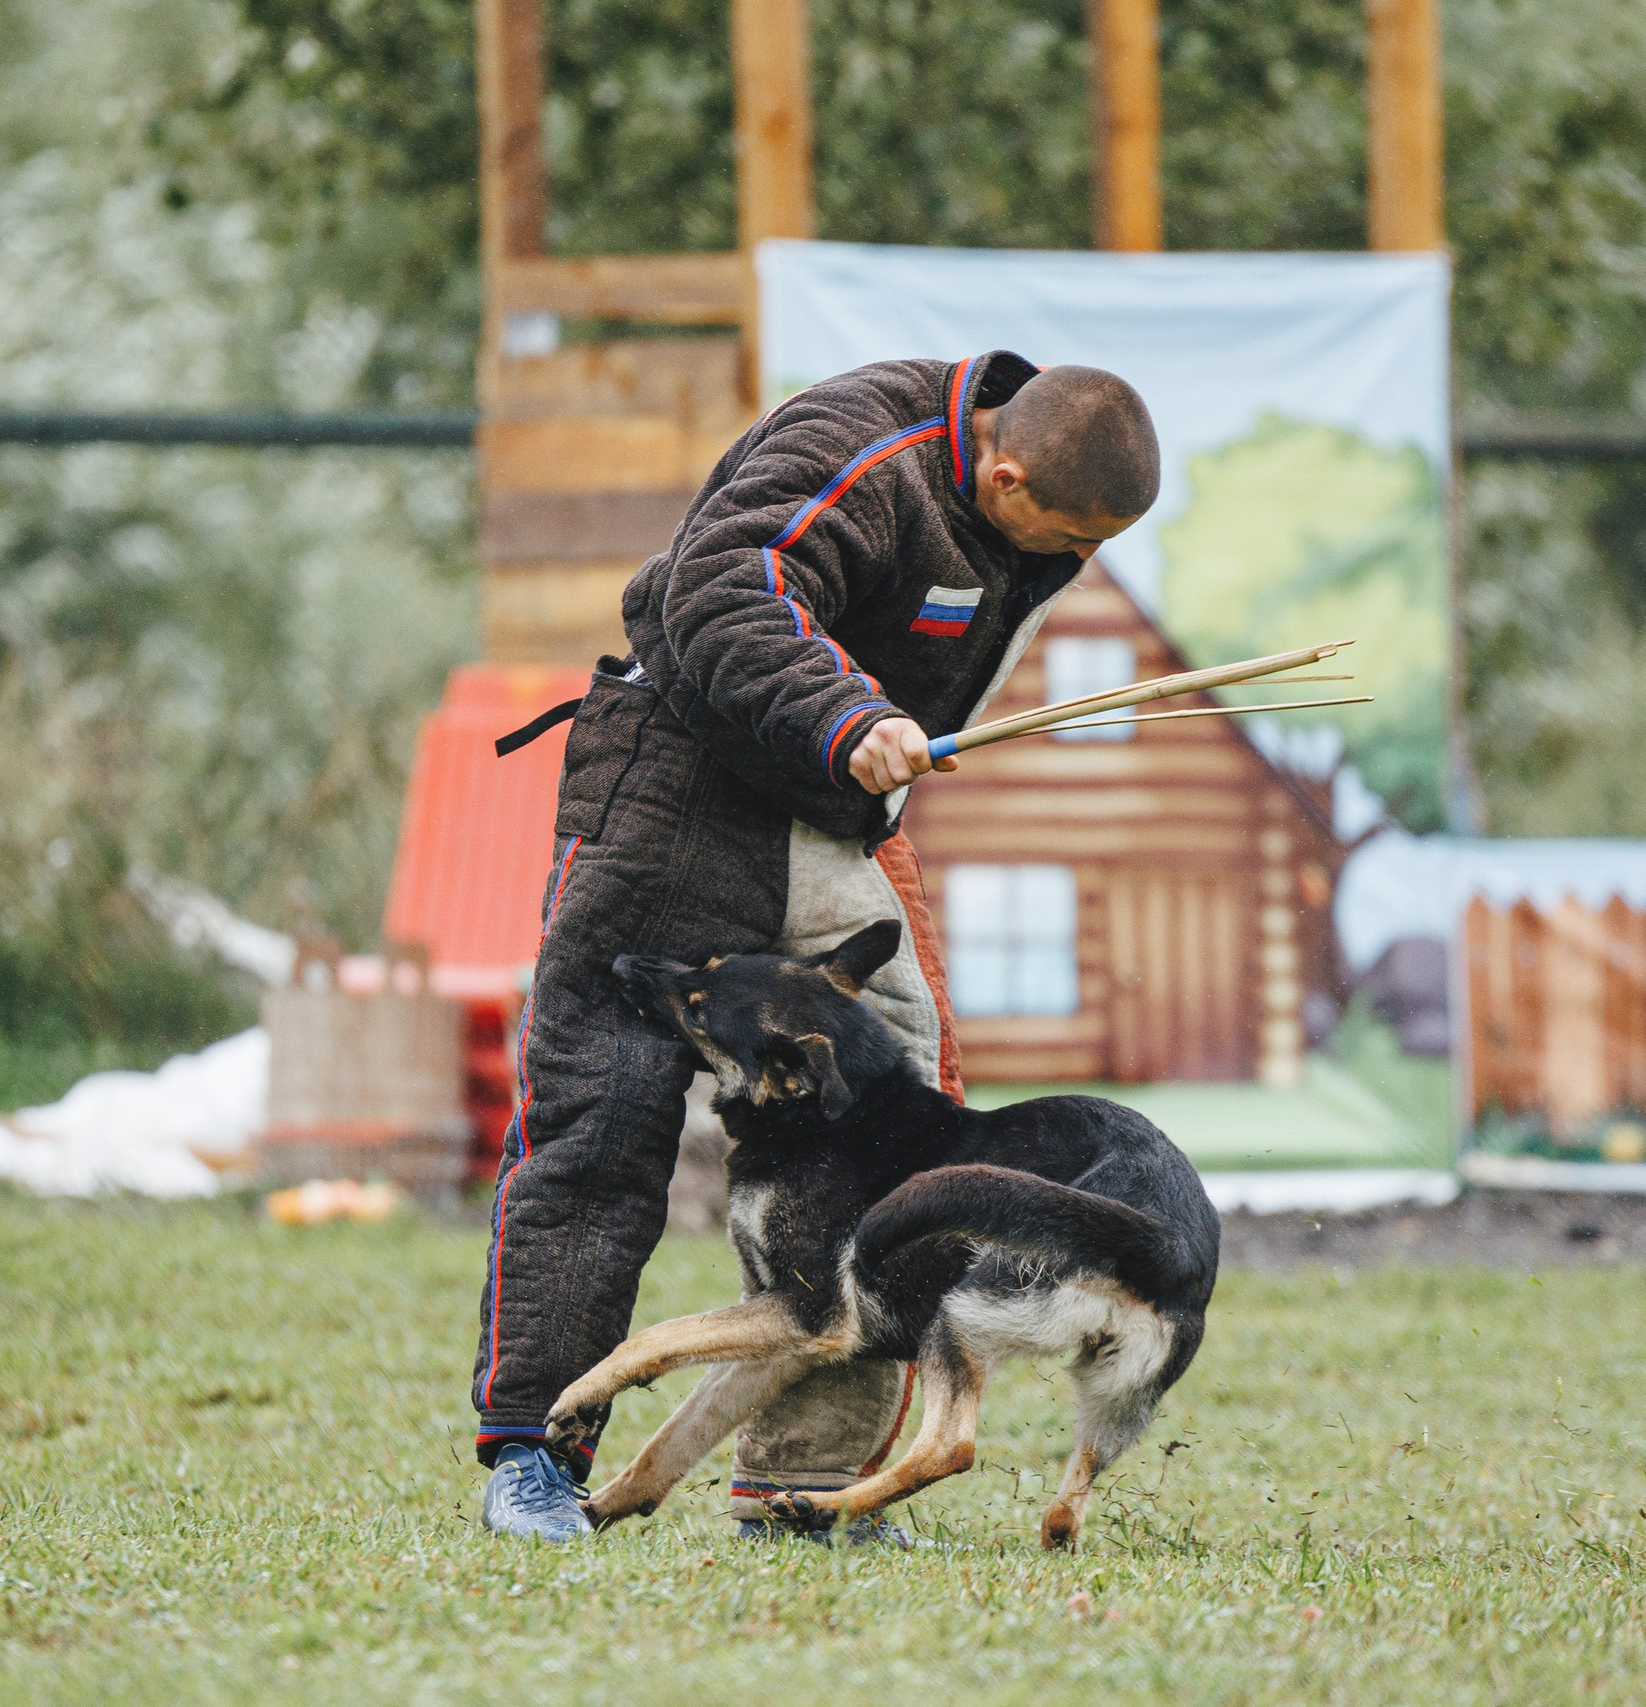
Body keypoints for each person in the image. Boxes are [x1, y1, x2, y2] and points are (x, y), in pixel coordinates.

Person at [475, 351, 1160, 1541]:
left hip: (826, 826)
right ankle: (534, 1456)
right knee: (604, 1120)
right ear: (1000, 472)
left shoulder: (1033, 511)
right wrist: (850, 716)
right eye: (1057, 534)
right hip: (673, 802)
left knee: (910, 1141)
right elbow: (725, 587)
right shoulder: (860, 444)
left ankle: (798, 1491)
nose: (1064, 560)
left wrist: (862, 750)